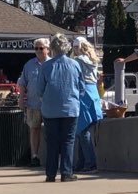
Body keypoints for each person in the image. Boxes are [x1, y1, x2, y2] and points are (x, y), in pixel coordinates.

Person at [37, 33, 85, 182]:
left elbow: (39, 90)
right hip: (70, 108)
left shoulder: (45, 66)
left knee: (51, 141)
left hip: (50, 110)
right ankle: (66, 172)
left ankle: (50, 174)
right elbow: (81, 88)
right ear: (67, 48)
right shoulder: (75, 64)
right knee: (68, 140)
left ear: (52, 48)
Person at [17, 38, 50, 167]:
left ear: (47, 49)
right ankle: (34, 157)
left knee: (50, 131)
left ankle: (52, 157)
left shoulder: (52, 63)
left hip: (49, 105)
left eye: (41, 48)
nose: (38, 51)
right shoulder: (29, 65)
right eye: (36, 48)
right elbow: (23, 83)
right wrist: (21, 99)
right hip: (33, 104)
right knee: (34, 129)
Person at [72, 37, 103, 173]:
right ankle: (82, 163)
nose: (73, 50)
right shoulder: (92, 60)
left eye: (74, 47)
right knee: (82, 130)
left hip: (83, 94)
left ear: (79, 47)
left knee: (82, 131)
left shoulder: (78, 60)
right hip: (93, 94)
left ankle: (90, 163)